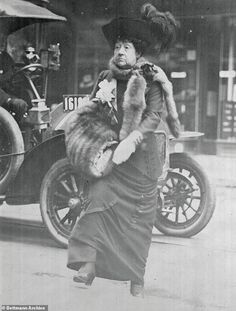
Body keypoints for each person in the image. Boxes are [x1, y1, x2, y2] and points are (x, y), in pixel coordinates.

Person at [65, 3, 180, 297]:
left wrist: (131, 141)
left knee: (139, 223)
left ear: (137, 52)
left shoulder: (149, 79)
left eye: (126, 47)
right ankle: (87, 266)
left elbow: (154, 117)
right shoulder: (106, 78)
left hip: (141, 163)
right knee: (97, 199)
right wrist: (88, 136)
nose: (120, 52)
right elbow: (91, 110)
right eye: (117, 46)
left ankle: (135, 278)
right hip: (112, 160)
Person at [0, 34, 28, 118]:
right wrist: (8, 100)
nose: (23, 54)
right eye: (22, 49)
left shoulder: (8, 61)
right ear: (13, 49)